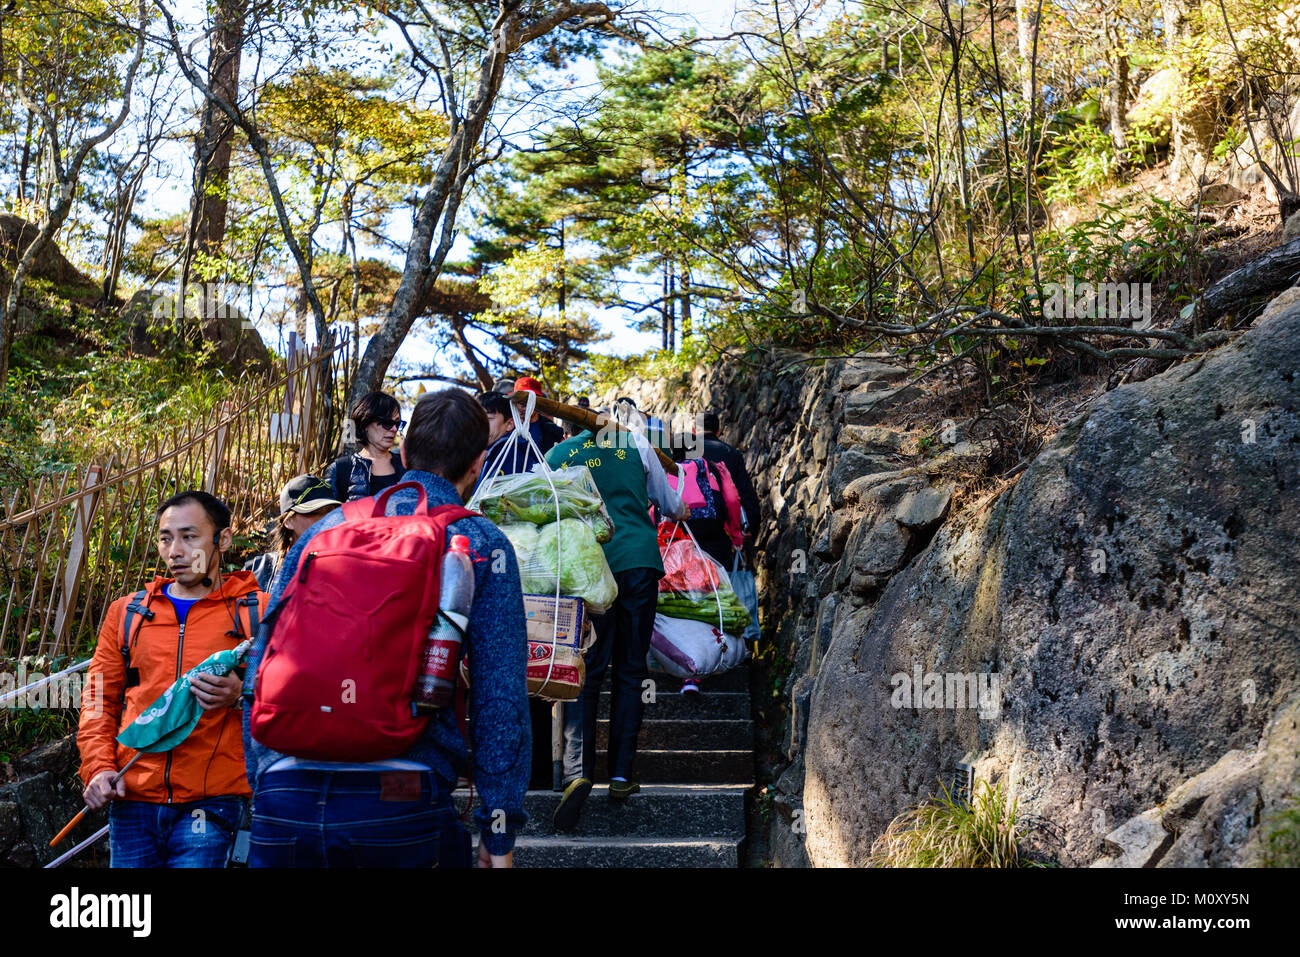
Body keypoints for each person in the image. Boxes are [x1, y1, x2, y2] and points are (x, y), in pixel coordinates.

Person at [243, 388, 532, 868]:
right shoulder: (480, 541)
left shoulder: (324, 529)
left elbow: (263, 655)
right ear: (480, 463)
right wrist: (499, 826)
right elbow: (499, 694)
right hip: (400, 795)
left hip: (285, 794)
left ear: (402, 452)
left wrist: (265, 780)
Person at [77, 490, 267, 867]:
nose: (175, 551)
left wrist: (243, 694)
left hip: (211, 800)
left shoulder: (256, 613)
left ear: (223, 540)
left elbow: (296, 696)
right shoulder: (128, 613)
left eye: (189, 536)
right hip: (132, 796)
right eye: (165, 538)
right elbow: (98, 698)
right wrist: (98, 767)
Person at [546, 415, 688, 830]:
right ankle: (622, 774)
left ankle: (578, 772)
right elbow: (670, 504)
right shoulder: (638, 445)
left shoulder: (561, 453)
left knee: (585, 670)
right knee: (630, 670)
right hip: (639, 565)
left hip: (588, 569)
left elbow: (538, 496)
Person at [243, 475, 341, 590]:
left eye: (329, 511)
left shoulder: (346, 568)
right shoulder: (258, 570)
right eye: (314, 512)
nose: (325, 519)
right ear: (288, 521)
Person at [323, 391, 406, 501]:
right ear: (365, 423)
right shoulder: (340, 469)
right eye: (387, 422)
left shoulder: (407, 465)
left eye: (397, 423)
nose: (394, 429)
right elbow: (329, 515)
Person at [475, 390, 543, 489]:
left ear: (510, 424)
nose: (480, 424)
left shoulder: (509, 452)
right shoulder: (483, 452)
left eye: (488, 418)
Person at [513, 376, 564, 454]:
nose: (523, 405)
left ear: (538, 402)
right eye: (519, 400)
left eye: (528, 400)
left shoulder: (554, 431)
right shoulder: (507, 428)